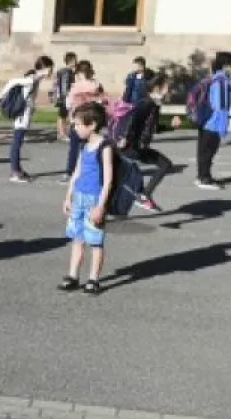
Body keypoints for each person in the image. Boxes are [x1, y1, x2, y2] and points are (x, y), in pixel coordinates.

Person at [60, 102, 116, 295]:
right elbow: (77, 171)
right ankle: (73, 275)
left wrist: (101, 206)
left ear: (91, 125)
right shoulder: (84, 145)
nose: (74, 128)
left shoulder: (105, 146)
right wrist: (68, 196)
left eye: (77, 125)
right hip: (79, 197)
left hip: (94, 199)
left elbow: (108, 180)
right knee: (77, 237)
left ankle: (93, 279)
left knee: (95, 241)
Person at [124, 71, 175, 212]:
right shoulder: (146, 103)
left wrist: (172, 127)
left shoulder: (154, 104)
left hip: (139, 146)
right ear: (157, 88)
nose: (169, 92)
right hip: (133, 146)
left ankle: (144, 195)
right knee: (120, 179)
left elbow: (154, 127)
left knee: (165, 164)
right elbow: (132, 121)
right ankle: (142, 196)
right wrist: (126, 139)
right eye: (167, 88)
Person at [4, 56, 55, 183]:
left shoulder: (36, 80)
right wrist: (1, 95)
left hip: (26, 113)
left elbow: (30, 97)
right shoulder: (32, 79)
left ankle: (18, 169)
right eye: (49, 68)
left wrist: (32, 107)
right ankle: (15, 171)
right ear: (43, 68)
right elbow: (13, 82)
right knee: (17, 142)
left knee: (18, 142)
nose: (51, 71)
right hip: (22, 115)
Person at [196, 51, 231, 191]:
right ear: (225, 66)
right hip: (213, 122)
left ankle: (203, 176)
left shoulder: (213, 79)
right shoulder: (222, 82)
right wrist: (223, 127)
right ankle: (204, 179)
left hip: (205, 120)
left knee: (203, 151)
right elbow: (221, 107)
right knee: (208, 151)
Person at [63, 61, 104, 179]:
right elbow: (101, 100)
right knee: (91, 147)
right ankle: (91, 170)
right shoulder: (96, 85)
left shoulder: (76, 86)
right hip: (92, 119)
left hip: (78, 118)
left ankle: (70, 171)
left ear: (80, 73)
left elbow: (68, 103)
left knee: (74, 148)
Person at [53, 51, 77, 143]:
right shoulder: (67, 71)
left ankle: (61, 133)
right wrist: (66, 96)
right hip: (65, 97)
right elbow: (64, 84)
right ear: (71, 61)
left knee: (62, 115)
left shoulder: (64, 71)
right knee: (63, 116)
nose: (76, 62)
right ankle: (62, 134)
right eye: (75, 60)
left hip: (63, 96)